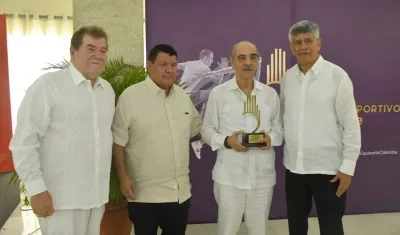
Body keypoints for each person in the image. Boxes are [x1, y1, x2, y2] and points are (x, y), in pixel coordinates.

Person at [9, 25, 115, 234]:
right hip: (60, 200)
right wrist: (36, 189)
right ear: (73, 52)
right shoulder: (48, 87)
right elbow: (24, 142)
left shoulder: (107, 91)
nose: (98, 55)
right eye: (91, 48)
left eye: (103, 50)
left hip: (96, 198)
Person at [280, 20, 361, 235]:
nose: (303, 46)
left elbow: (351, 125)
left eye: (308, 41)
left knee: (331, 227)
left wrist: (348, 167)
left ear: (319, 44)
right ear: (291, 48)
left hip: (330, 171)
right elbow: (283, 120)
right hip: (294, 169)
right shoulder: (287, 79)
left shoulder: (337, 77)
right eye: (297, 42)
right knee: (296, 226)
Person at [112, 44, 202, 235]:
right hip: (145, 195)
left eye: (173, 65)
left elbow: (197, 129)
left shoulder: (183, 97)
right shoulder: (130, 97)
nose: (170, 70)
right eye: (163, 64)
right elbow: (118, 141)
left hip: (180, 194)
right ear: (149, 65)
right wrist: (122, 177)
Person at [201, 41, 283, 235]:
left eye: (253, 57)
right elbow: (207, 130)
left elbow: (280, 130)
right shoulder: (218, 94)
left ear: (258, 62)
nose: (248, 62)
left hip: (262, 180)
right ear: (232, 62)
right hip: (229, 179)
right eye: (242, 58)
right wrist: (227, 141)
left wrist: (270, 139)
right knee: (227, 231)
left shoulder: (270, 95)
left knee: (259, 231)